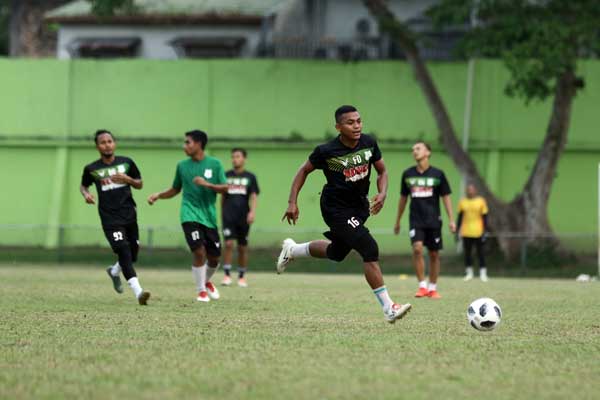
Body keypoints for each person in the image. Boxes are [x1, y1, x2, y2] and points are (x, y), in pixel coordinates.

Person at [277, 105, 411, 324]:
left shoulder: (369, 143)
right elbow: (303, 171)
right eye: (350, 122)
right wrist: (292, 202)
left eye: (359, 121)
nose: (356, 126)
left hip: (358, 206)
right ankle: (389, 308)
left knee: (336, 252)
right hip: (335, 208)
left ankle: (292, 250)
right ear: (338, 127)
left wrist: (383, 193)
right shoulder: (326, 151)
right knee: (369, 248)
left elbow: (382, 171)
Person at [147, 130, 228, 303]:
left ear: (199, 144)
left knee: (214, 258)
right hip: (189, 214)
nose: (185, 146)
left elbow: (225, 188)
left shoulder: (215, 164)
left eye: (188, 142)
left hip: (209, 217)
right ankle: (201, 291)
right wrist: (159, 195)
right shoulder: (182, 166)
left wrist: (207, 184)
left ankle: (206, 281)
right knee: (199, 251)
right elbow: (175, 189)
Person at [80, 129, 150, 305]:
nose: (107, 145)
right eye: (102, 142)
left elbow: (140, 184)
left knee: (132, 254)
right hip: (110, 218)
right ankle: (139, 292)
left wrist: (128, 180)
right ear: (97, 147)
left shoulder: (127, 163)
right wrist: (86, 194)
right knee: (124, 251)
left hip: (129, 214)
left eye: (109, 141)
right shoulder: (92, 169)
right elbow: (83, 186)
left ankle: (114, 271)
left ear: (114, 143)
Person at [394, 141, 455, 299]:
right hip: (416, 219)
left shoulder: (438, 174)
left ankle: (433, 288)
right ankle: (422, 286)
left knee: (434, 254)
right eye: (413, 149)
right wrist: (398, 220)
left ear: (428, 152)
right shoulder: (408, 174)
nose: (415, 151)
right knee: (417, 249)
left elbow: (446, 197)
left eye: (418, 148)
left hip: (434, 220)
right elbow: (403, 199)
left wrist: (451, 219)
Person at [221, 148, 260, 288]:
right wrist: (221, 213)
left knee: (242, 247)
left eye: (237, 156)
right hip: (228, 215)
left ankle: (242, 276)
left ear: (244, 158)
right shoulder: (225, 175)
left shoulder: (250, 177)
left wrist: (252, 212)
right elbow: (222, 196)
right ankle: (226, 275)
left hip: (243, 216)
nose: (234, 159)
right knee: (229, 244)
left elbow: (254, 195)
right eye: (232, 157)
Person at [456, 183, 489, 282]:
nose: (470, 191)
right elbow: (460, 217)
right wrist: (457, 231)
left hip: (478, 231)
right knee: (467, 253)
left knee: (480, 253)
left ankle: (483, 274)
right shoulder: (463, 202)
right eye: (468, 189)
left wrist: (485, 231)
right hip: (466, 231)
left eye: (471, 189)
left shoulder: (481, 201)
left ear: (475, 190)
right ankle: (469, 273)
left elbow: (485, 217)